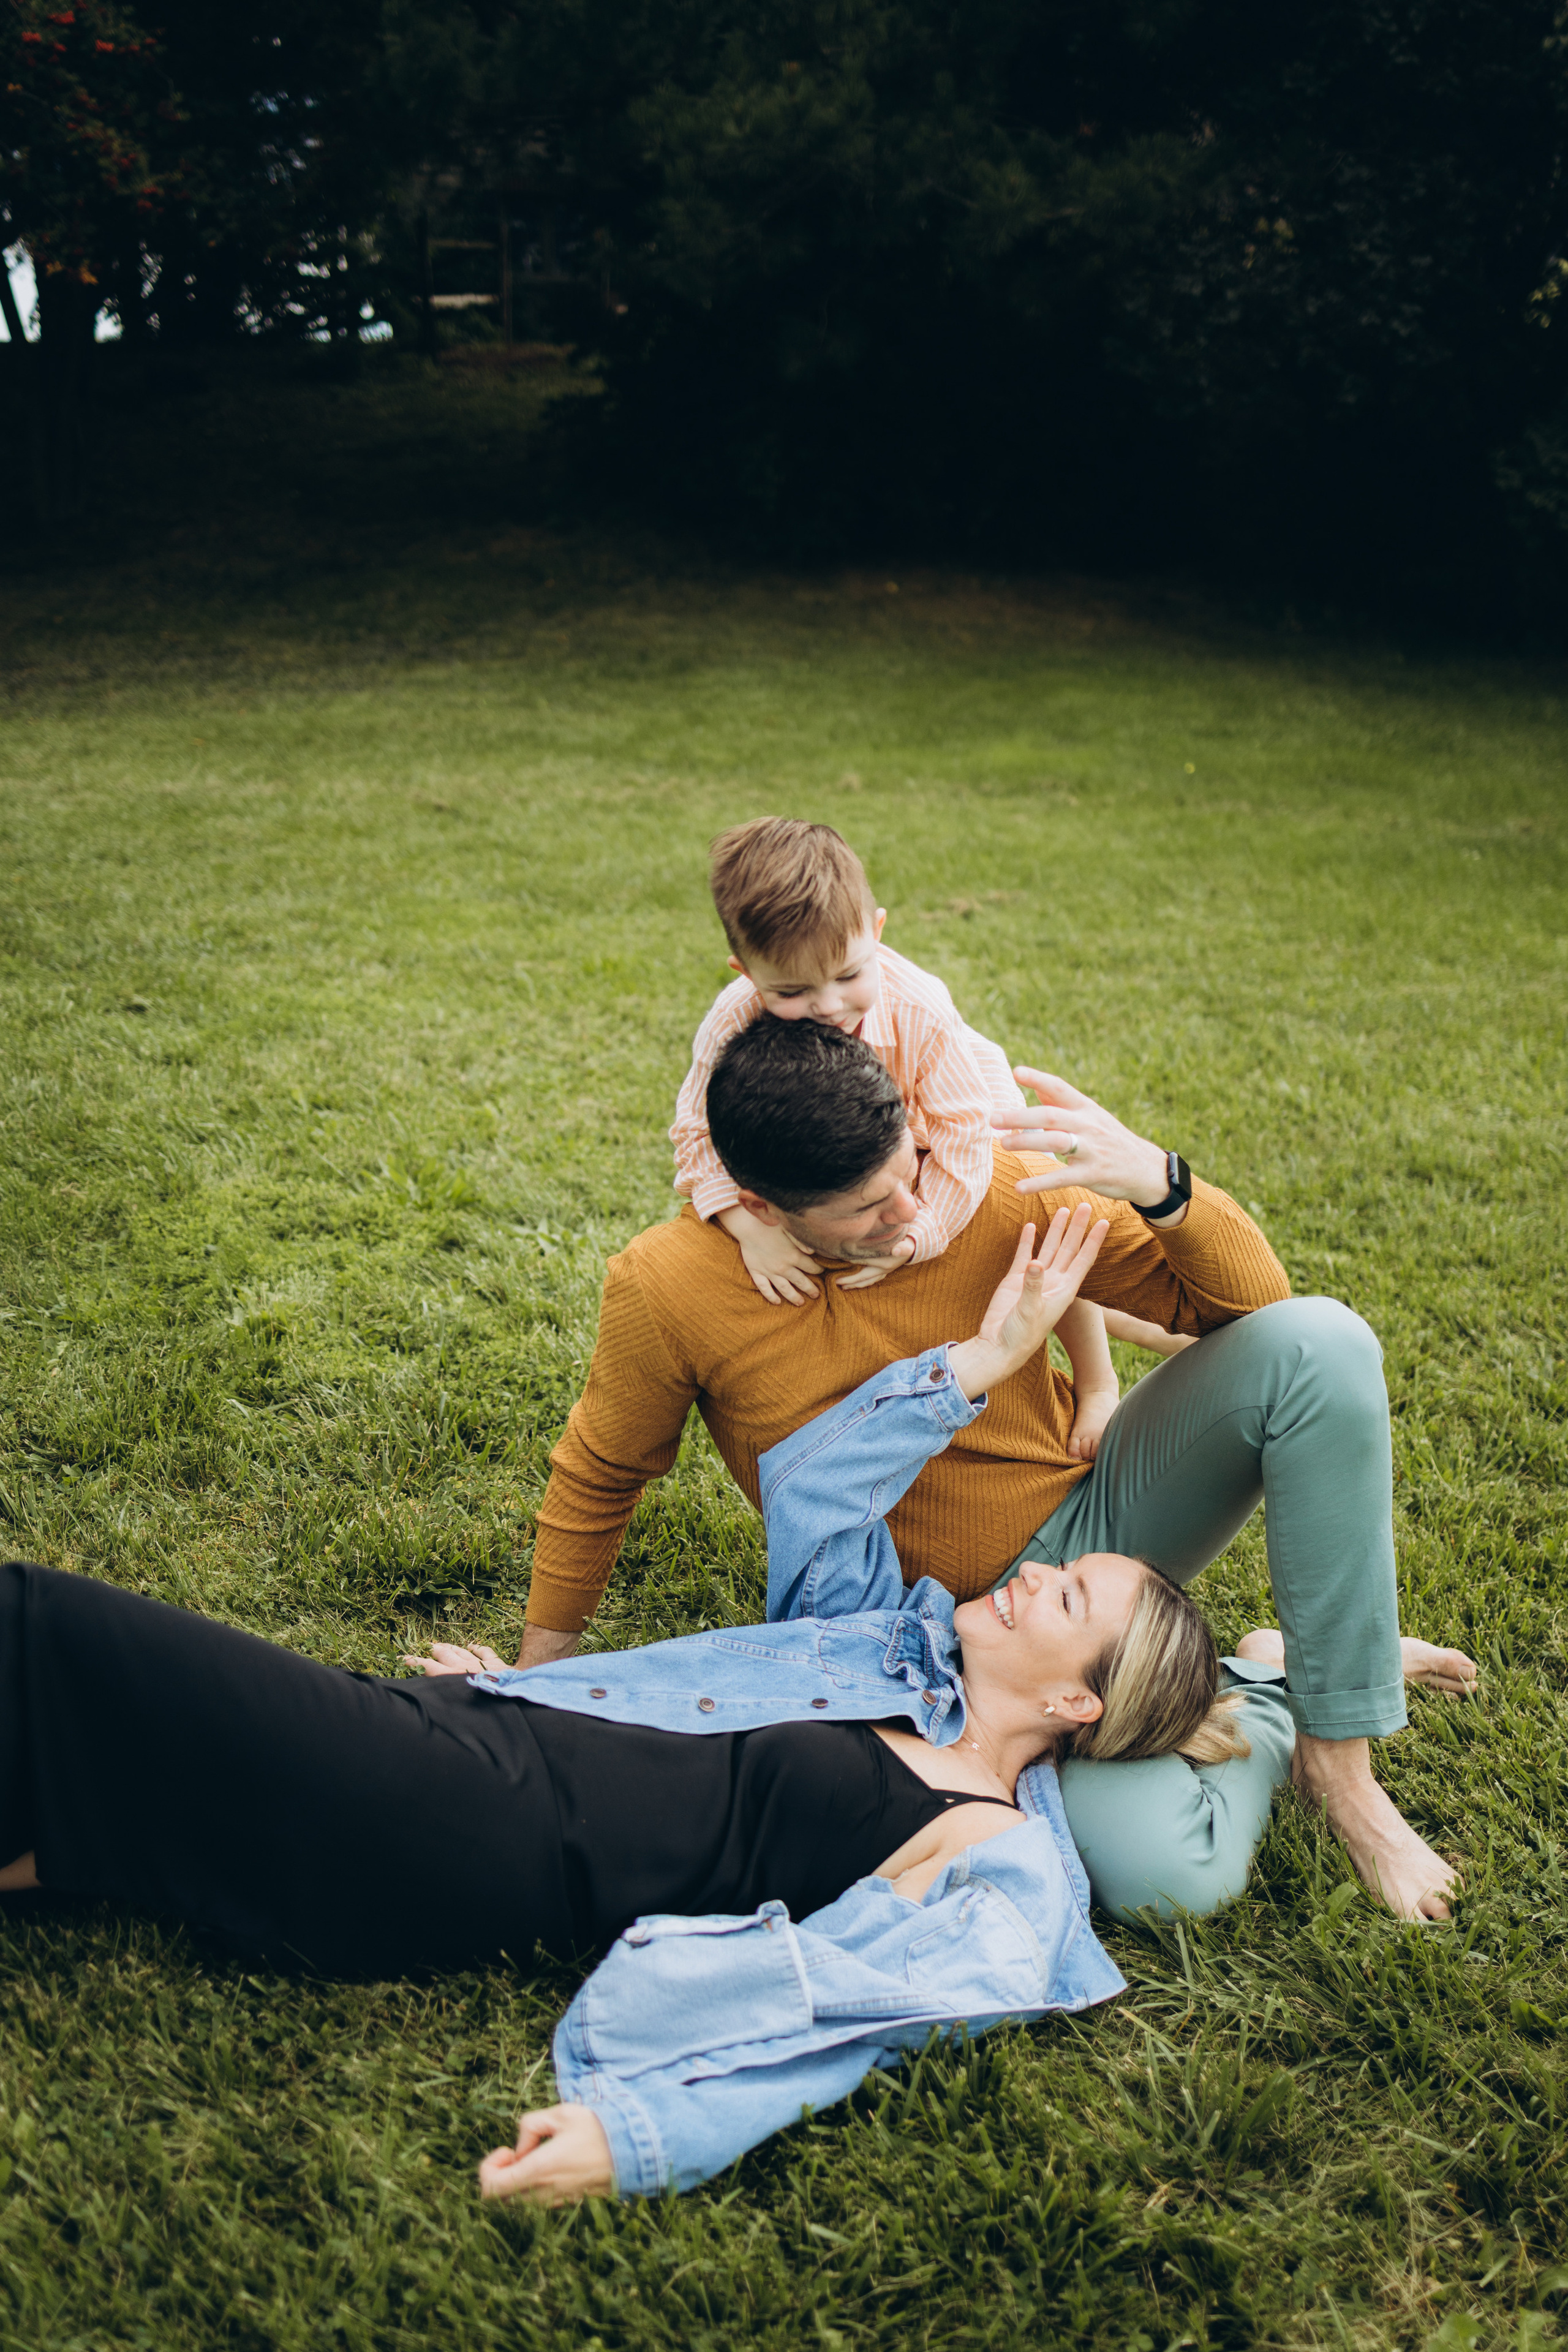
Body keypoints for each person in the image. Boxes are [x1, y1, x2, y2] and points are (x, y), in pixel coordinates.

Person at [0, 1211, 1259, 2204]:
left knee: (43, 1630)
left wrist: (644, 2134)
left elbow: (846, 2017)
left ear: (1076, 1701)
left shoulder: (999, 1852)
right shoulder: (883, 1641)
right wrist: (984, 1362)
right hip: (471, 1746)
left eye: (1064, 1595)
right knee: (72, 1822)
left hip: (461, 1828)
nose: (1032, 1571)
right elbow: (815, 1485)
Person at [522, 1017, 1477, 1923]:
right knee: (1159, 1870)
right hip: (907, 1649)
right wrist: (534, 1680)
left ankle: (1341, 1772)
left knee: (1320, 1345)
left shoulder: (984, 1189)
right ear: (764, 1208)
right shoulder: (668, 1285)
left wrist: (1163, 1182)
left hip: (1088, 1551)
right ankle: (1260, 1679)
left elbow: (1249, 1308)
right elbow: (602, 1473)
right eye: (867, 1208)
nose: (912, 1213)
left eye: (913, 1172)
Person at [671, 814, 1170, 1459]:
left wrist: (922, 1235)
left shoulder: (919, 1009)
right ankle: (1138, 1326)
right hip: (853, 1144)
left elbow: (963, 1137)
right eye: (792, 991)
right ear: (745, 972)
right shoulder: (731, 1020)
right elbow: (696, 1131)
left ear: (876, 933)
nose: (827, 1005)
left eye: (849, 975)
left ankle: (1097, 1380)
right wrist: (749, 1228)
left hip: (953, 1113)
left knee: (1038, 1220)